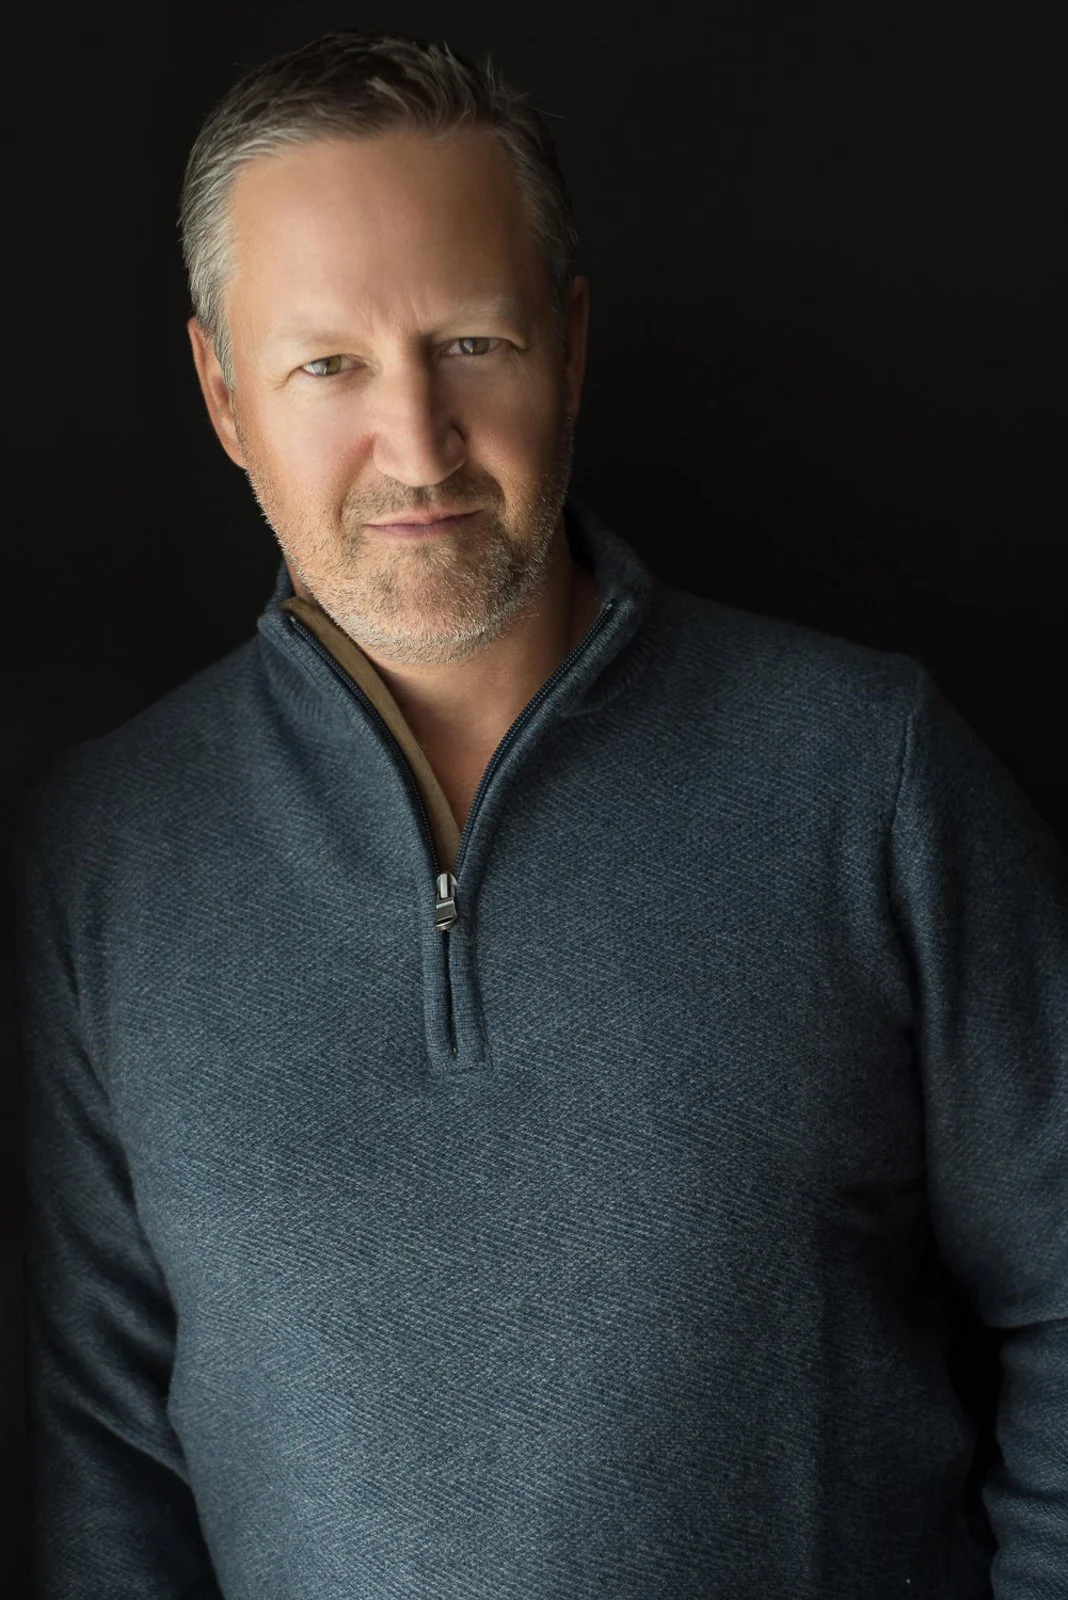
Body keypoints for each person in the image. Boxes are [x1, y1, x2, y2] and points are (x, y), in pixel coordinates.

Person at [16, 28, 1067, 1600]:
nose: (419, 446)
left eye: (473, 345)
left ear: (569, 342)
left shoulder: (874, 777)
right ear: (223, 396)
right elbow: (97, 1463)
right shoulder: (95, 861)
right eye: (330, 367)